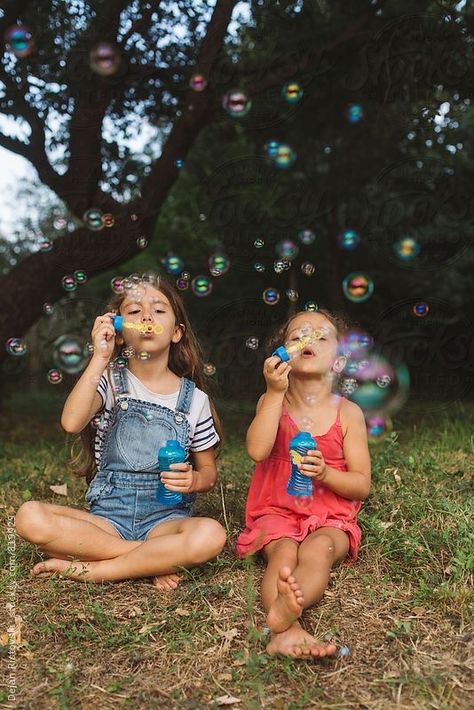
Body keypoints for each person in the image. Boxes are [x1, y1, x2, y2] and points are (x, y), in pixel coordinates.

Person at [15, 273, 226, 587]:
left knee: (212, 534)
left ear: (177, 332)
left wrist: (195, 479)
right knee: (28, 517)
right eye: (133, 311)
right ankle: (149, 558)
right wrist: (101, 357)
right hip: (108, 520)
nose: (146, 317)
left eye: (158, 309)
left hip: (166, 522)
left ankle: (99, 570)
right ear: (120, 330)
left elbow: (208, 473)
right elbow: (71, 422)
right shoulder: (110, 382)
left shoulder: (194, 399)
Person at [236, 309, 371, 658]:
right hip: (276, 510)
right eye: (297, 336)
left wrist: (326, 474)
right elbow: (256, 449)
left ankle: (285, 615)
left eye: (320, 336)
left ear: (339, 361)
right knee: (283, 552)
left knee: (318, 550)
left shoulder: (348, 413)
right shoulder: (271, 403)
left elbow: (360, 485)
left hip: (330, 517)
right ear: (283, 355)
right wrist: (272, 393)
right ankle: (285, 622)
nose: (307, 340)